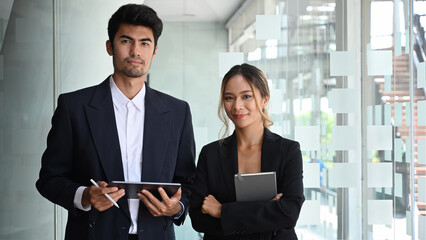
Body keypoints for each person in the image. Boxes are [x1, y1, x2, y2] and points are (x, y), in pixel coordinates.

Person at [36, 4, 196, 240]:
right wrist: (85, 196)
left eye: (144, 43)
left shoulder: (177, 112)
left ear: (154, 51)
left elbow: (188, 182)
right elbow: (49, 179)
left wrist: (177, 207)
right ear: (110, 47)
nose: (135, 51)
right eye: (125, 41)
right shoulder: (74, 107)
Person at [189, 63, 304, 239]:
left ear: (264, 99)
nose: (237, 106)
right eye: (229, 98)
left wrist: (222, 211)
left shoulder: (288, 151)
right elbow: (198, 218)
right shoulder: (210, 154)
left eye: (246, 96)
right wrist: (267, 212)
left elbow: (289, 213)